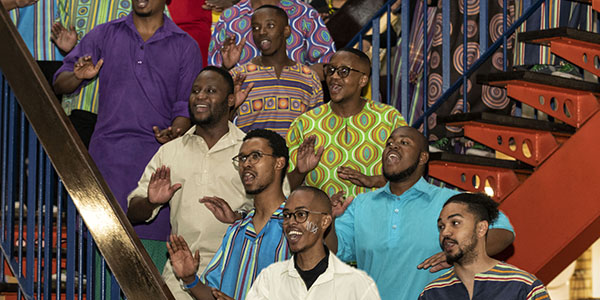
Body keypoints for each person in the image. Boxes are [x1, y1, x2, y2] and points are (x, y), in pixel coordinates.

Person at [53, 0, 202, 270]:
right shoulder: (105, 33)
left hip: (159, 164)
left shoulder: (185, 44)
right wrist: (77, 76)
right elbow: (60, 80)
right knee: (102, 253)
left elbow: (186, 106)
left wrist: (177, 130)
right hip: (107, 159)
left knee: (151, 260)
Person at [327, 126, 516, 300]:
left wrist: (459, 253)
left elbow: (504, 232)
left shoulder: (451, 203)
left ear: (423, 158)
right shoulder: (360, 204)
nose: (393, 147)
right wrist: (329, 222)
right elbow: (333, 251)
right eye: (389, 143)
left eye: (404, 143)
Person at [127, 66, 254, 300]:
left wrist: (237, 218)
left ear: (230, 100)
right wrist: (151, 202)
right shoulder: (170, 152)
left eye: (210, 90)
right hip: (181, 273)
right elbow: (133, 211)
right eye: (196, 91)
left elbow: (277, 212)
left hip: (242, 272)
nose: (201, 96)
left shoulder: (251, 149)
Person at [166, 129, 291, 300]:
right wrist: (189, 279)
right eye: (242, 158)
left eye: (256, 156)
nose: (246, 164)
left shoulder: (294, 225)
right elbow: (214, 295)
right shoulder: (237, 230)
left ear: (279, 163)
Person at [286, 48, 407, 198]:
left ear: (363, 80)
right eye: (330, 70)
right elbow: (284, 190)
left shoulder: (389, 118)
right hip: (323, 218)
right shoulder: (304, 124)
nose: (334, 76)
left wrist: (374, 180)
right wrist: (299, 171)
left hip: (377, 217)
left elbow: (409, 175)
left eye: (343, 71)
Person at [246, 186, 381, 300]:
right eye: (286, 215)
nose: (291, 222)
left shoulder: (356, 284)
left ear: (325, 222)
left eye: (301, 214)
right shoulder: (270, 278)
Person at [419, 193, 550, 300]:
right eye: (441, 226)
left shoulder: (523, 287)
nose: (445, 232)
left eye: (455, 223)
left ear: (481, 228)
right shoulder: (432, 293)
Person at [230, 5, 323, 138]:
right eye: (256, 28)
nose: (261, 32)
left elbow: (316, 129)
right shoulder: (238, 76)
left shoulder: (309, 77)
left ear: (286, 31)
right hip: (250, 157)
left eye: (270, 25)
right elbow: (220, 127)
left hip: (294, 158)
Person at [50, 1, 131, 148]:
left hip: (123, 112)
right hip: (80, 102)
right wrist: (68, 48)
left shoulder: (145, 4)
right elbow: (64, 40)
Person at [208, 0, 335, 79]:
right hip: (243, 116)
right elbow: (213, 75)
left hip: (297, 114)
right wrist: (226, 67)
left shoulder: (304, 14)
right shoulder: (230, 18)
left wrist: (293, 77)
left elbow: (329, 65)